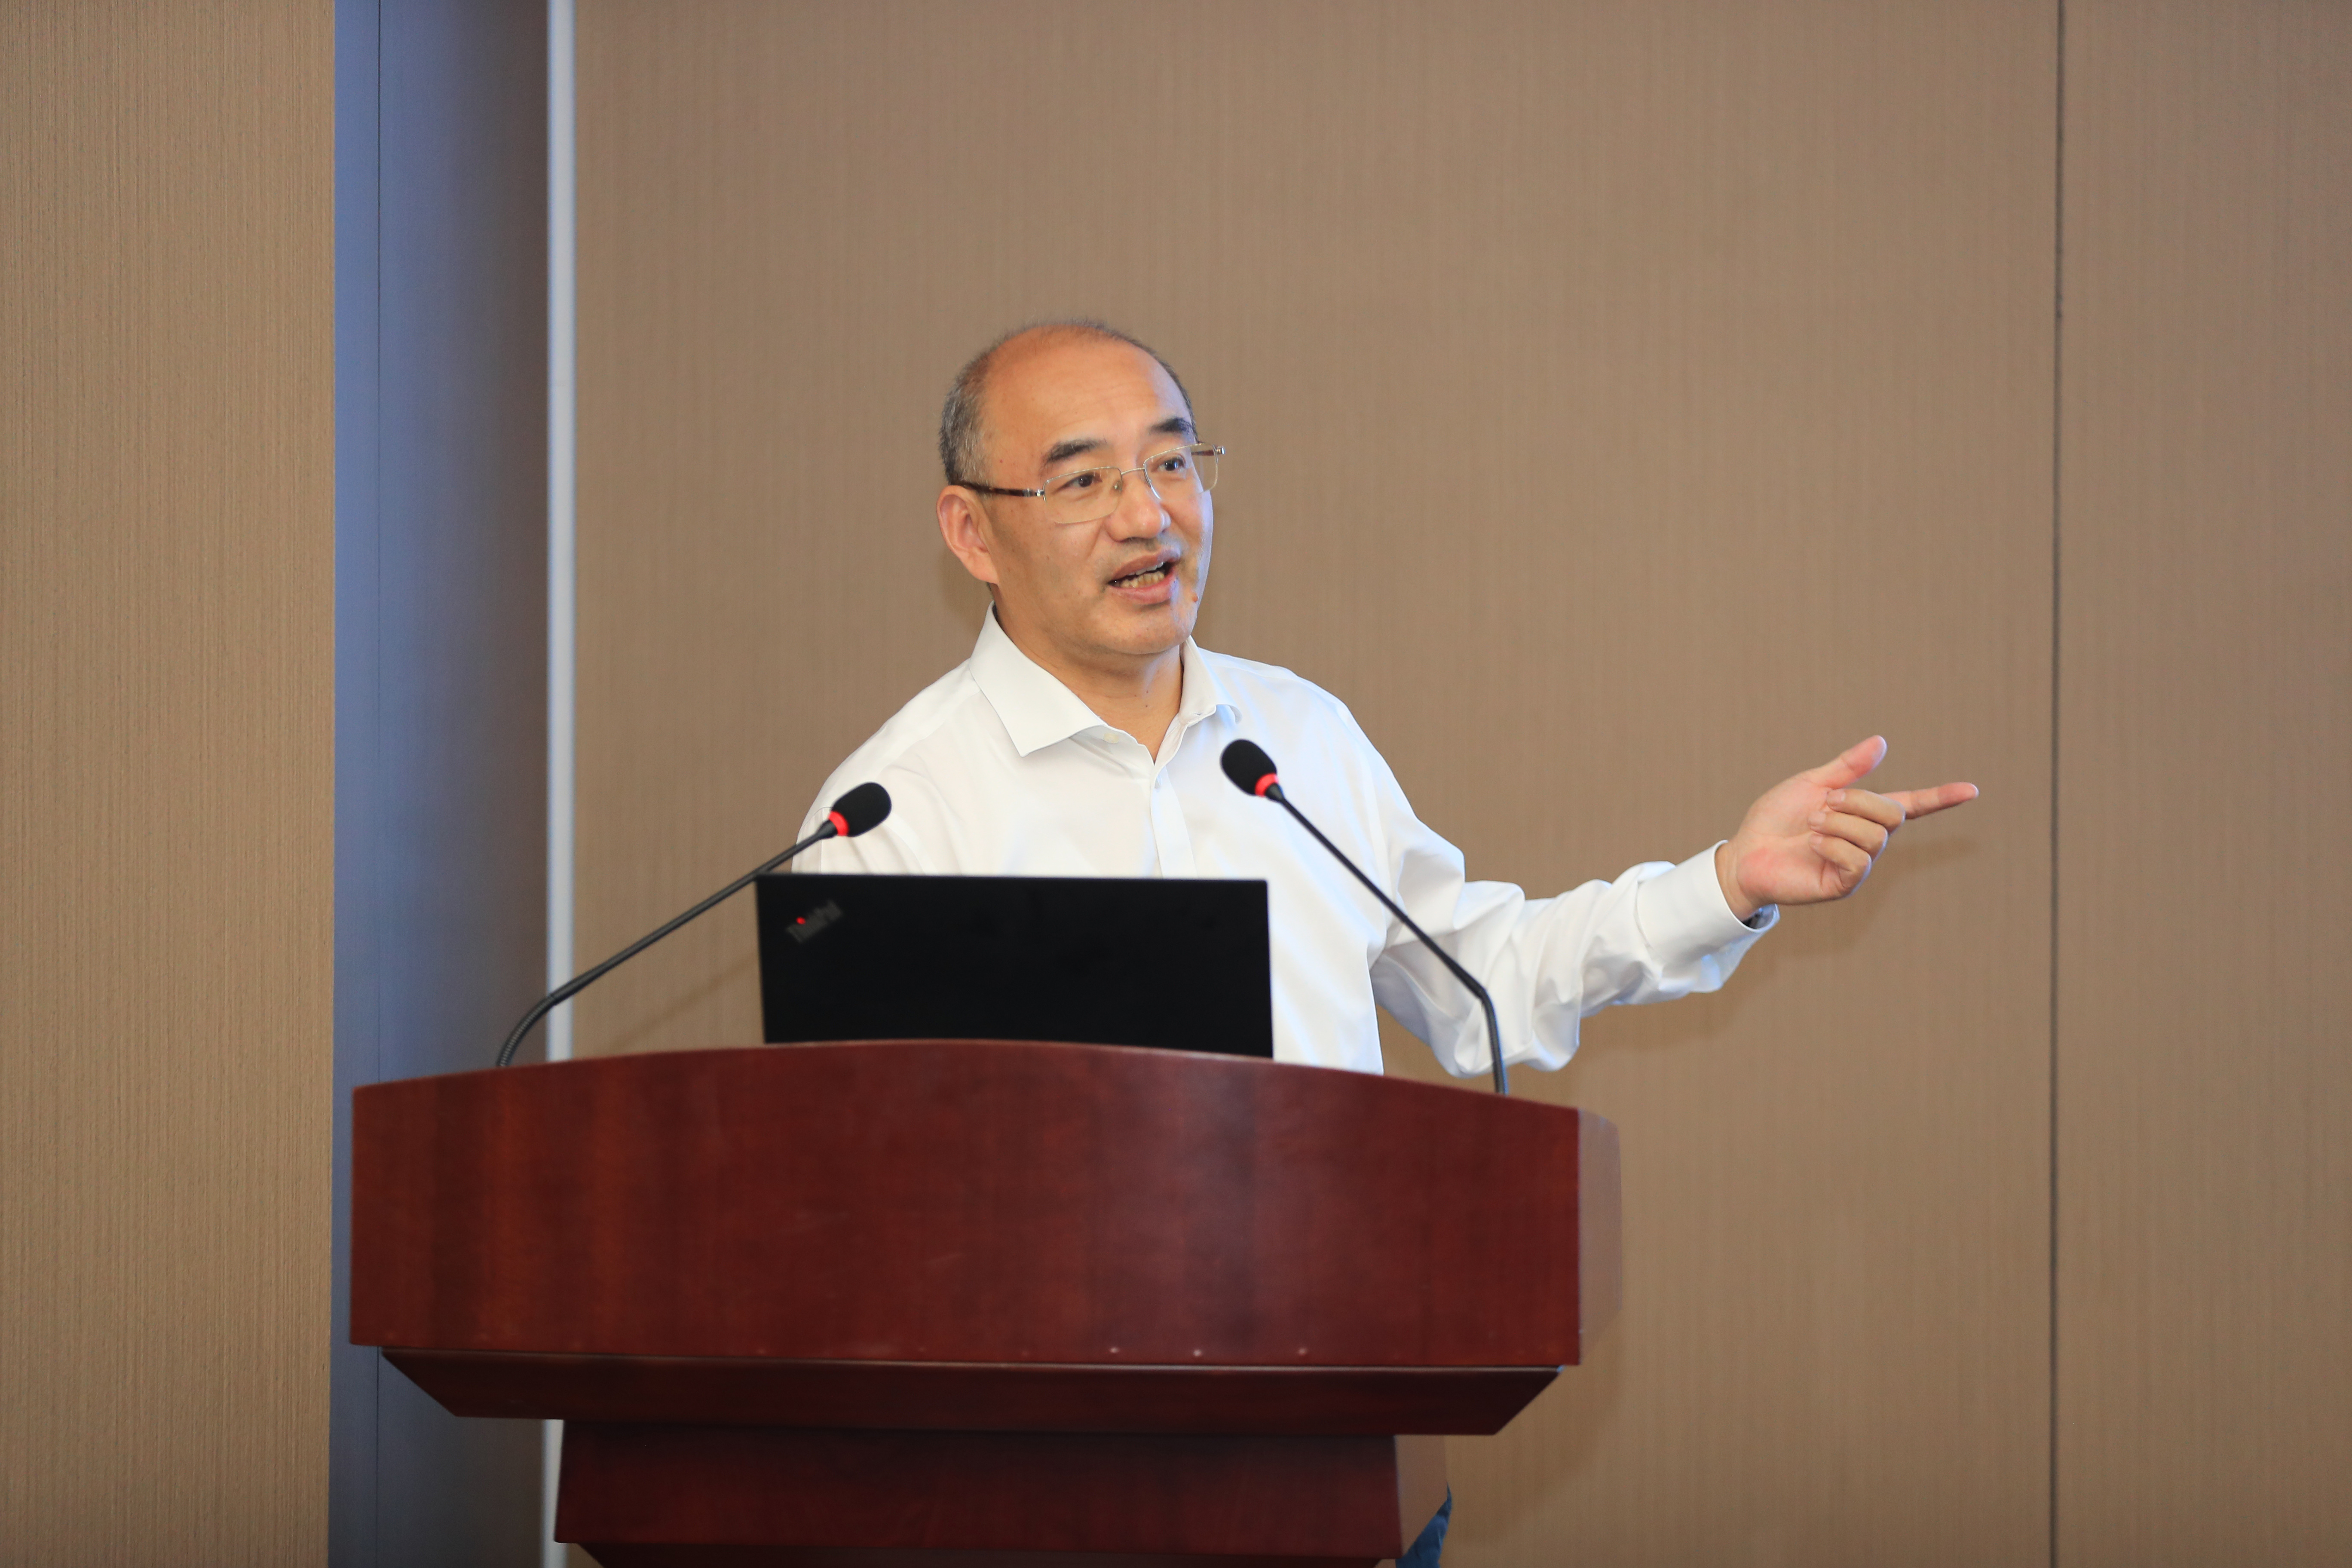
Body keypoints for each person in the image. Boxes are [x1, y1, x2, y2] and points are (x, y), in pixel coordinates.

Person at [796, 320, 1976, 1563]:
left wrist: (1727, 882)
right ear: (973, 532)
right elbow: (862, 1203)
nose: (1148, 515)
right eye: (1084, 479)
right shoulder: (891, 812)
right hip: (1039, 1488)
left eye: (1174, 462)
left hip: (1334, 1441)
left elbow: (1482, 981)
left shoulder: (1296, 740)